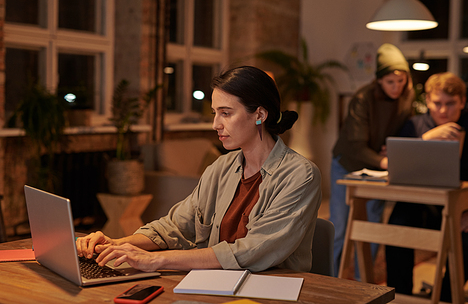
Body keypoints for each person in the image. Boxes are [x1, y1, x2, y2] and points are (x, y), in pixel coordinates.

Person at [77, 65, 322, 273]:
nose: (215, 124)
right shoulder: (221, 167)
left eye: (226, 113)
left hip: (272, 291)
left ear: (259, 115)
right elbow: (174, 227)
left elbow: (253, 251)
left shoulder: (300, 175)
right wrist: (116, 243)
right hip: (218, 286)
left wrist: (157, 259)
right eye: (215, 113)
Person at [385, 72, 468, 302]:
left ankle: (448, 295)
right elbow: (396, 165)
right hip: (424, 205)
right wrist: (426, 138)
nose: (443, 111)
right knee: (397, 226)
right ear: (427, 100)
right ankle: (399, 296)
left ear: (462, 101)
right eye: (437, 104)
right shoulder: (415, 125)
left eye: (450, 104)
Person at [330, 43, 415, 277]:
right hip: (347, 164)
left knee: (373, 228)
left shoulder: (407, 96)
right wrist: (385, 161)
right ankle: (328, 278)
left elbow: (405, 127)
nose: (397, 87)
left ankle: (363, 281)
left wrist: (394, 148)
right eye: (390, 82)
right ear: (378, 80)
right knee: (339, 226)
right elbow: (356, 146)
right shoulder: (362, 98)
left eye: (401, 81)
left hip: (377, 166)